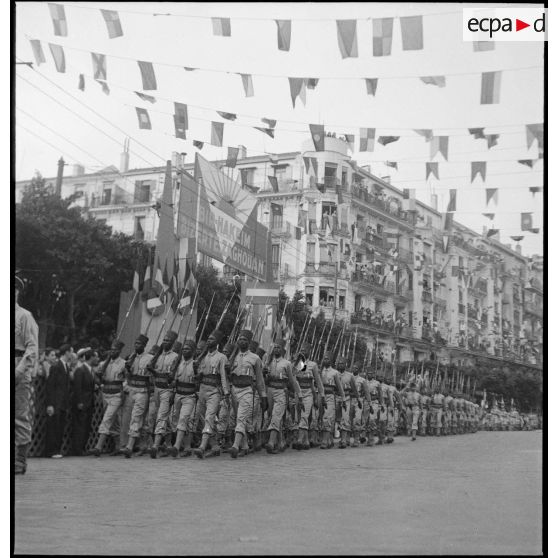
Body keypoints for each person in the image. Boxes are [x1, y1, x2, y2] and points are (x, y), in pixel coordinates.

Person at [228, 330, 267, 459]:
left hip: (247, 391)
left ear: (249, 342)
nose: (242, 341)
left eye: (245, 339)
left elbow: (260, 379)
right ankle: (244, 446)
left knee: (241, 417)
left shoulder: (255, 358)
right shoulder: (233, 356)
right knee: (235, 418)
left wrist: (263, 396)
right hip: (234, 390)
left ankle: (235, 446)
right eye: (240, 339)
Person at [14, 275, 39, 474]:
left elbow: (32, 347)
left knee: (19, 415)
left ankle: (19, 460)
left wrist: (20, 370)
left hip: (18, 364)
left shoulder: (24, 316)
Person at [193, 329, 230, 459]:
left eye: (212, 339)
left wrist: (226, 392)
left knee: (209, 417)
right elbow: (197, 375)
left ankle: (202, 447)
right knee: (199, 417)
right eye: (208, 338)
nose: (209, 340)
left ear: (217, 342)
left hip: (214, 392)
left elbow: (224, 377)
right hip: (202, 390)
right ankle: (214, 446)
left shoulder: (221, 357)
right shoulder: (202, 357)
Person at [88, 340, 126, 457]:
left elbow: (126, 379)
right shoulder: (103, 364)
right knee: (113, 421)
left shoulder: (124, 364)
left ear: (119, 351)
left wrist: (123, 390)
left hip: (117, 395)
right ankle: (119, 446)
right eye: (112, 349)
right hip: (105, 394)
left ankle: (98, 447)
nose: (113, 351)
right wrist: (99, 379)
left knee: (107, 419)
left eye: (115, 350)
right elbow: (98, 378)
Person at [264, 339, 301, 454]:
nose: (276, 349)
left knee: (276, 415)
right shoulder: (268, 362)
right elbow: (264, 380)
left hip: (281, 391)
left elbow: (292, 380)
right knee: (273, 416)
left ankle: (271, 442)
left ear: (283, 350)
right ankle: (281, 442)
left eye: (278, 347)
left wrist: (298, 395)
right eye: (274, 347)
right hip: (270, 391)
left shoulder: (287, 363)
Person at [149, 331, 180, 458]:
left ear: (172, 343)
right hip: (157, 389)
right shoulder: (158, 356)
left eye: (168, 340)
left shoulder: (176, 357)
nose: (165, 342)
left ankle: (155, 445)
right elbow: (154, 373)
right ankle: (168, 445)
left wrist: (173, 391)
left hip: (167, 390)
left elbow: (176, 377)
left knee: (161, 416)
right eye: (164, 340)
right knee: (161, 417)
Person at [122, 334, 152, 457]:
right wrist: (128, 368)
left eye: (139, 344)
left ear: (144, 346)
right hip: (131, 391)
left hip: (142, 392)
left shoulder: (150, 358)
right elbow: (127, 376)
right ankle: (129, 445)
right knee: (128, 418)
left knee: (137, 417)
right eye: (135, 343)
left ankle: (130, 445)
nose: (136, 346)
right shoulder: (130, 357)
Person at [293, 342, 324, 450]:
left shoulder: (313, 365)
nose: (302, 352)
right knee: (299, 416)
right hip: (298, 393)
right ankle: (306, 441)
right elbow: (293, 378)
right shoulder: (296, 364)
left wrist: (321, 395)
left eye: (304, 350)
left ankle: (300, 440)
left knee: (304, 416)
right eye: (301, 350)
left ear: (309, 352)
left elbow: (318, 382)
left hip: (309, 393)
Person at [169, 339, 198, 458]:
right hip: (178, 395)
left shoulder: (196, 364)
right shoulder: (178, 364)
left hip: (189, 397)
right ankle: (185, 446)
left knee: (183, 419)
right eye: (184, 349)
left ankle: (176, 446)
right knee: (174, 420)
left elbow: (198, 382)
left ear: (192, 351)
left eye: (188, 349)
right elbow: (173, 382)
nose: (185, 351)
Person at [45, 344, 71, 458]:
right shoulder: (56, 366)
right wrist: (50, 404)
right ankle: (51, 451)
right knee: (53, 427)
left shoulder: (66, 366)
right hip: (55, 402)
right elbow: (50, 386)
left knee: (60, 426)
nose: (72, 354)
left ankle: (57, 450)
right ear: (66, 353)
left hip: (63, 403)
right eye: (71, 352)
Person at [72, 349, 99, 456]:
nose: (97, 359)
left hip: (89, 402)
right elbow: (77, 387)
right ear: (91, 357)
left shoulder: (91, 370)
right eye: (96, 356)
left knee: (86, 426)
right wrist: (79, 402)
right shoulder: (80, 370)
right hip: (83, 402)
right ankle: (77, 449)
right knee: (80, 426)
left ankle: (82, 447)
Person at [320, 351, 345, 450]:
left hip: (330, 396)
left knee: (328, 417)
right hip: (320, 395)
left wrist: (342, 399)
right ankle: (329, 439)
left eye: (327, 359)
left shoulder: (335, 373)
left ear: (331, 361)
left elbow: (340, 387)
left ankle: (325, 441)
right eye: (324, 358)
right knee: (320, 417)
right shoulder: (319, 370)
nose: (325, 360)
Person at [337, 357, 358, 449]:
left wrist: (356, 399)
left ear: (345, 365)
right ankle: (329, 439)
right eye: (339, 363)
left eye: (342, 363)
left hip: (347, 398)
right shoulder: (334, 374)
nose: (340, 365)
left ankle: (343, 440)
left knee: (345, 419)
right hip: (335, 398)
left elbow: (354, 390)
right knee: (334, 418)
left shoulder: (350, 376)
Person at [350, 363, 371, 447]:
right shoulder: (348, 377)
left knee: (357, 419)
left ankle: (356, 440)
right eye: (353, 367)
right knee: (348, 419)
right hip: (349, 399)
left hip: (359, 400)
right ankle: (346, 440)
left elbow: (366, 392)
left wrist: (370, 403)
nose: (354, 369)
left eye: (356, 368)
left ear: (358, 370)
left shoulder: (362, 380)